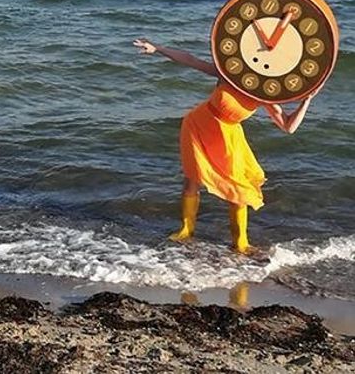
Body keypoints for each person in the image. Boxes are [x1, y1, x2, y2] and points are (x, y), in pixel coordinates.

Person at [133, 38, 317, 253]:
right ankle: (186, 230)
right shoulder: (230, 75)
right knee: (192, 178)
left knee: (238, 187)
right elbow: (191, 60)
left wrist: (306, 100)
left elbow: (288, 126)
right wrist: (158, 48)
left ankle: (240, 243)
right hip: (198, 125)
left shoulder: (264, 94)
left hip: (228, 134)